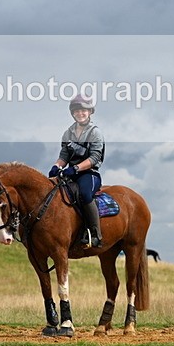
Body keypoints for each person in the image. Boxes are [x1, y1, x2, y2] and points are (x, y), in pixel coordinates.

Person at [49, 94, 105, 248]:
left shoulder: (95, 133)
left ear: (90, 112)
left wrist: (76, 168)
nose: (80, 113)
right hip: (71, 173)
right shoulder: (68, 133)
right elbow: (64, 155)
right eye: (77, 111)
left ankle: (95, 234)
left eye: (84, 110)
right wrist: (57, 166)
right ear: (72, 113)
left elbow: (95, 157)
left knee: (85, 194)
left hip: (89, 174)